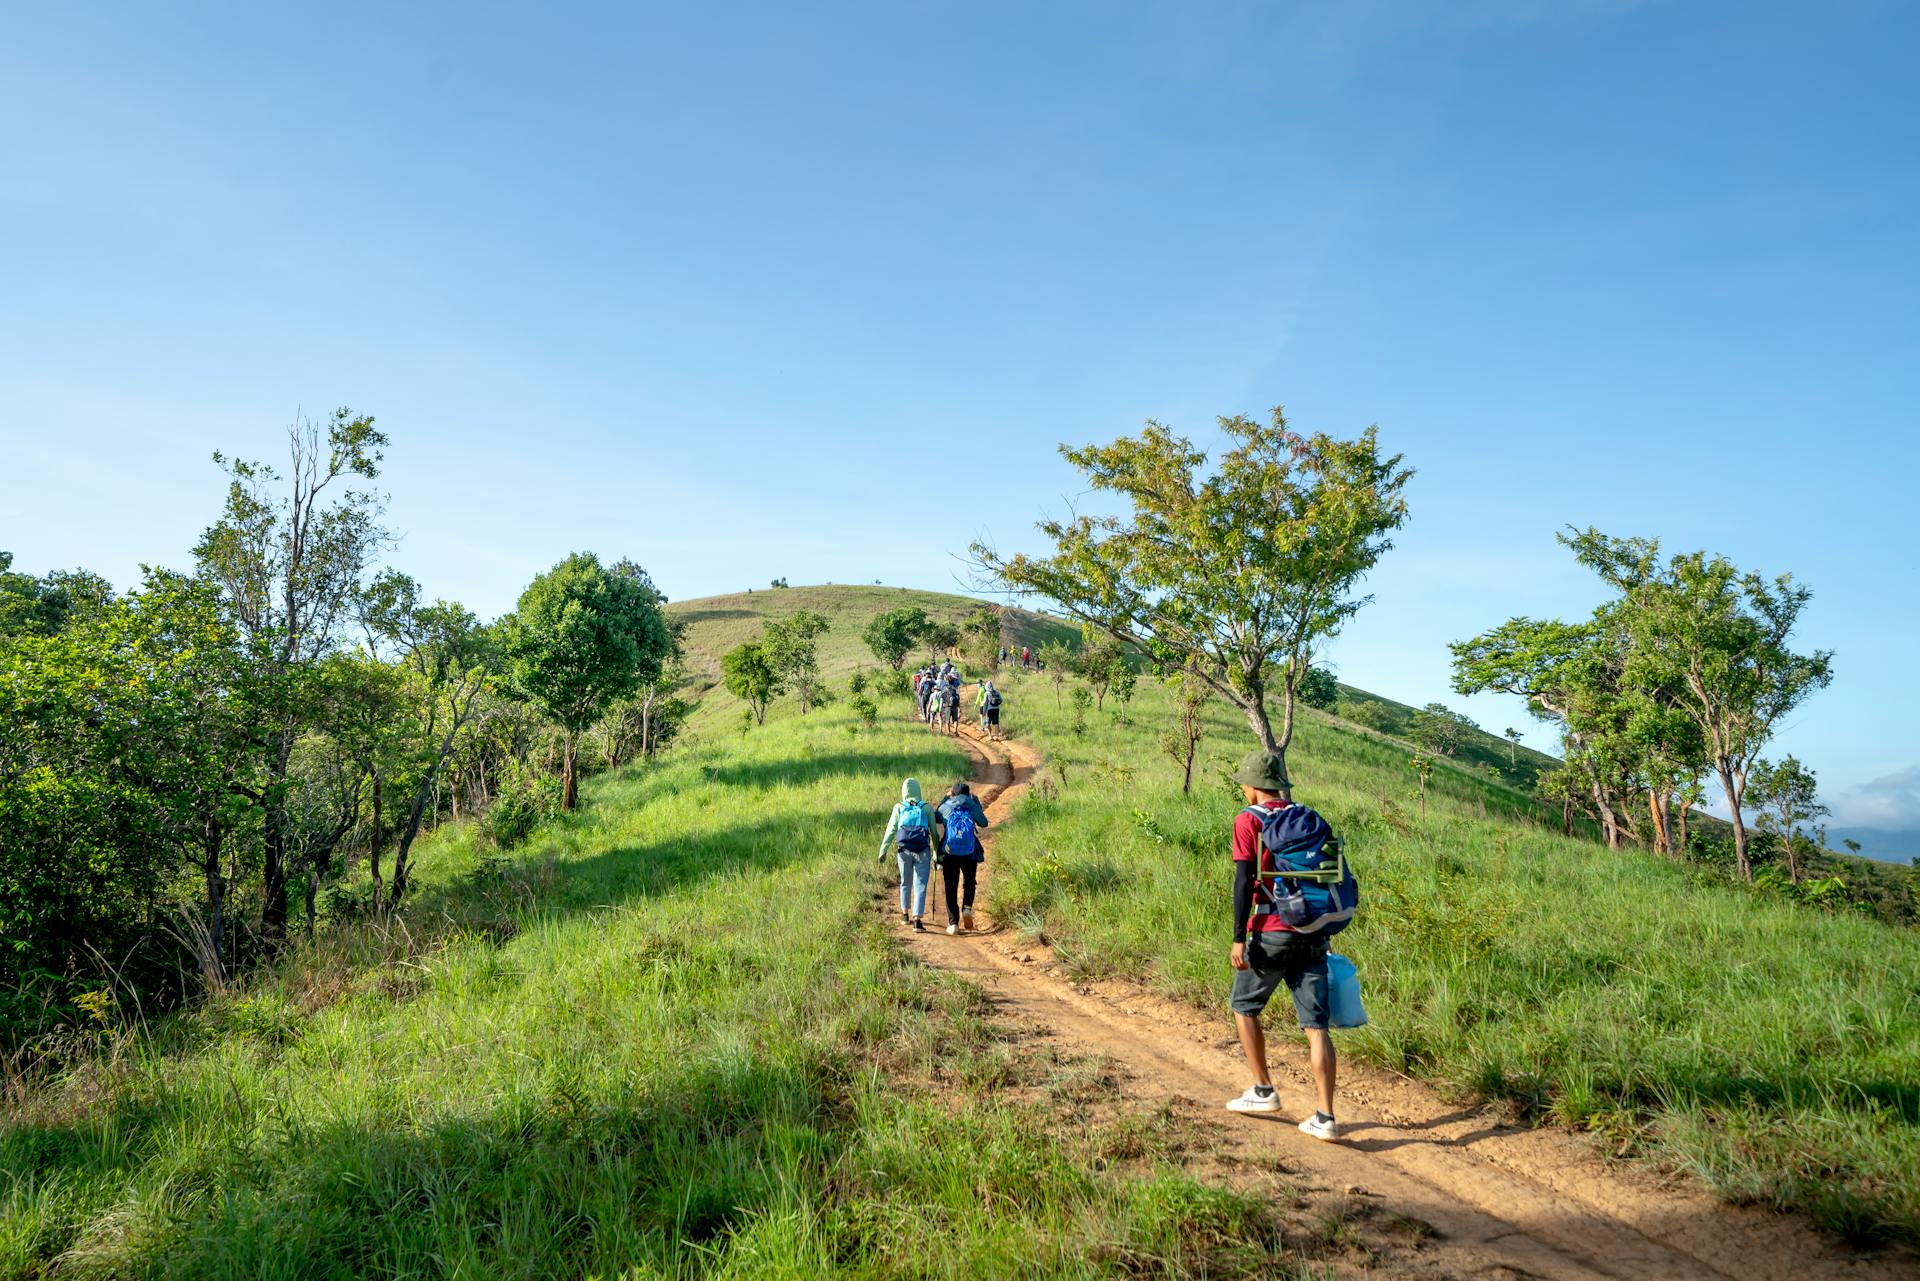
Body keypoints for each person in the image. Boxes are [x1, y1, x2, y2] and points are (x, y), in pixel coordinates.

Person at [1223, 749, 1340, 1141]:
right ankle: (1325, 1117)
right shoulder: (1308, 817)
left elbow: (1243, 882)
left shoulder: (1248, 821)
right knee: (1316, 1027)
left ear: (1255, 787)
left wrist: (1239, 937)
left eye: (1244, 783)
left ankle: (1263, 1090)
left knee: (1244, 1006)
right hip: (1313, 931)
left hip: (1270, 929)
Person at [878, 777, 934, 931]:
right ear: (918, 790)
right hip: (922, 850)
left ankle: (904, 915)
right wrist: (937, 853)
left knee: (905, 881)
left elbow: (891, 830)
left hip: (903, 851)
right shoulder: (926, 808)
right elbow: (934, 833)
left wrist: (883, 850)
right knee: (920, 884)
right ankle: (917, 920)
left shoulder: (899, 807)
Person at [935, 780, 989, 933]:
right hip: (969, 852)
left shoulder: (947, 806)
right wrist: (976, 804)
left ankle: (953, 923)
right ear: (967, 793)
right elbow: (983, 823)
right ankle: (967, 908)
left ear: (953, 793)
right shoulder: (971, 805)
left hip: (949, 851)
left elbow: (936, 816)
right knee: (969, 881)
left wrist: (945, 799)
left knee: (950, 885)